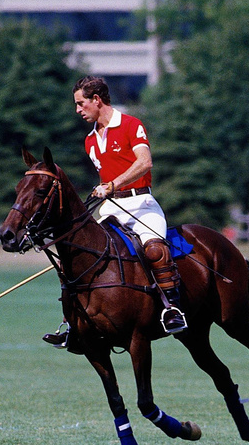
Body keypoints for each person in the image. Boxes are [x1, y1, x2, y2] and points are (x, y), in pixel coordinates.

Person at [43, 76, 187, 347]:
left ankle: (172, 309)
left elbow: (145, 162)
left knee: (155, 249)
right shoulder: (89, 141)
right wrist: (105, 189)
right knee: (72, 256)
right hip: (111, 207)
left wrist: (112, 184)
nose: (78, 110)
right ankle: (73, 323)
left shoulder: (131, 125)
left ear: (97, 99)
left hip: (142, 204)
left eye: (81, 103)